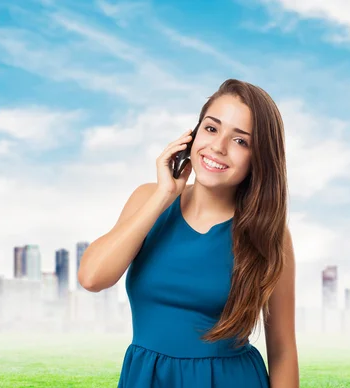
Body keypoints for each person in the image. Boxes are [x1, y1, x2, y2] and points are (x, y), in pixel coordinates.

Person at [78, 79, 299, 387]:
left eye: (240, 141)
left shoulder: (268, 233)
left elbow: (283, 349)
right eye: (211, 128)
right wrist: (164, 195)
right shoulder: (148, 199)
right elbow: (92, 278)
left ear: (258, 157)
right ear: (191, 135)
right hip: (147, 378)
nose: (218, 147)